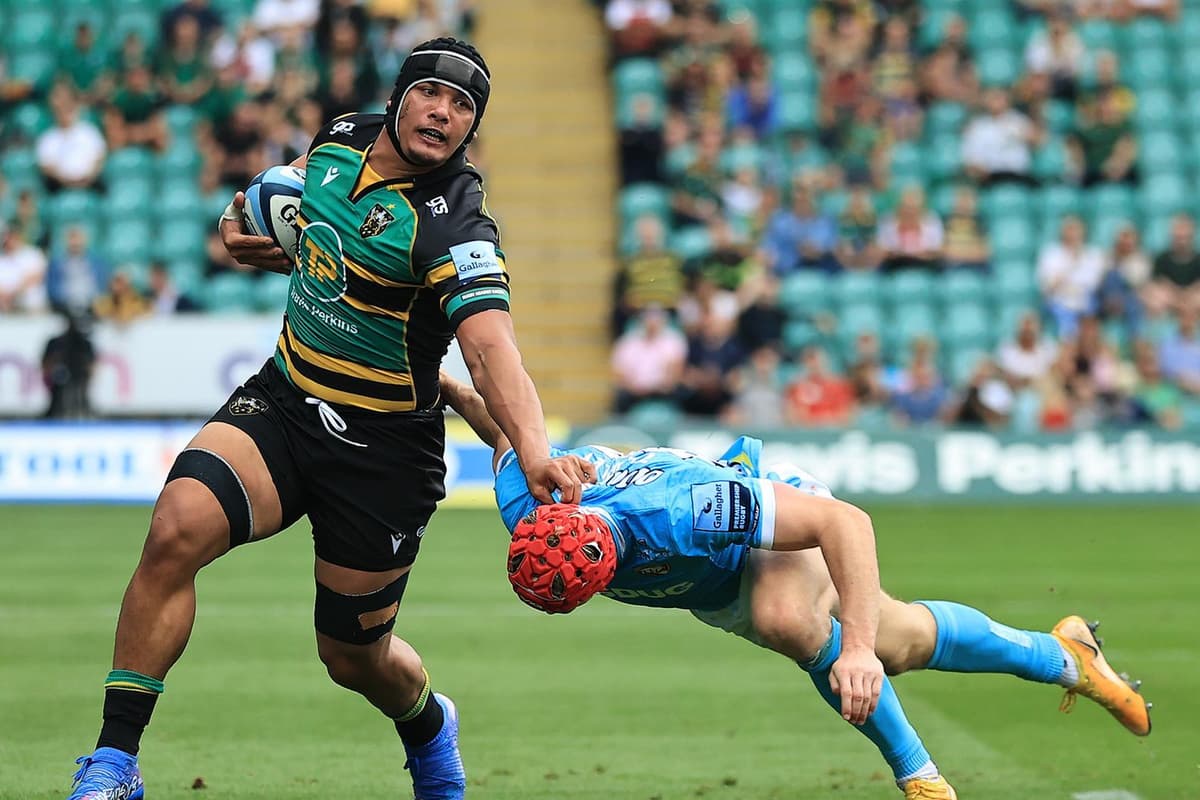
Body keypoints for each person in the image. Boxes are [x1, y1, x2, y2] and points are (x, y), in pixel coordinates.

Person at [65, 38, 594, 800]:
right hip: (287, 400)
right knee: (176, 525)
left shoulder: (456, 222)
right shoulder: (341, 137)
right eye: (431, 93)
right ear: (399, 96)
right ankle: (115, 763)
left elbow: (490, 350)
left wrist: (535, 449)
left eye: (462, 107)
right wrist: (241, 225)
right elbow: (304, 215)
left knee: (352, 657)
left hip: (384, 454)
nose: (443, 113)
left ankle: (428, 727)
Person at [437, 373, 1152, 800]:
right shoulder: (527, 503)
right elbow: (500, 430)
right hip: (710, 584)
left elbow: (846, 524)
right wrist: (448, 386)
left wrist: (856, 650)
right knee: (904, 640)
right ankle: (1064, 657)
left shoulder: (686, 510)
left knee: (791, 618)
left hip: (752, 517)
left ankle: (921, 777)